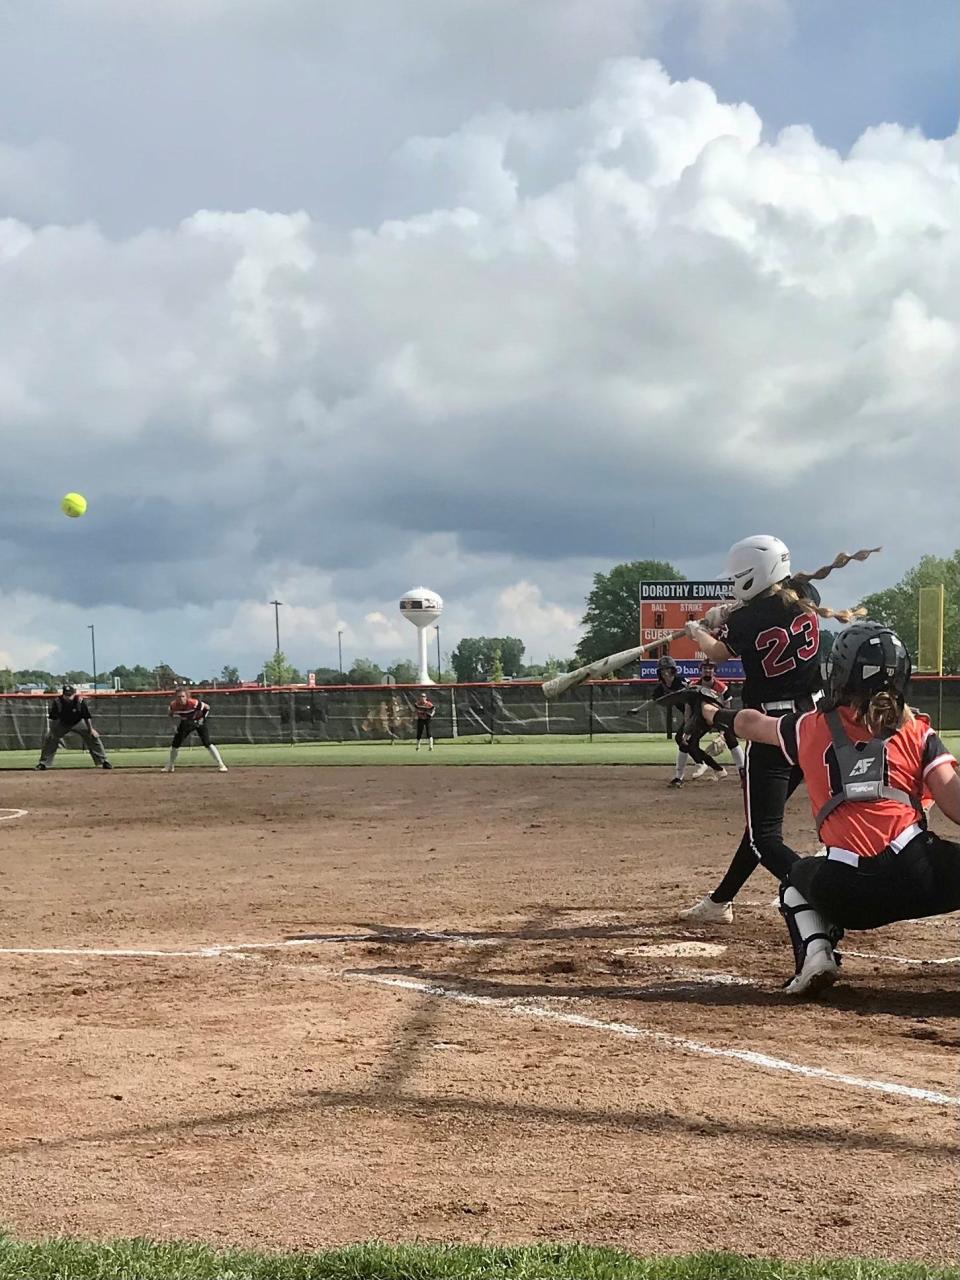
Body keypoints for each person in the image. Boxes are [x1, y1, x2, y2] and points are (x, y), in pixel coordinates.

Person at [701, 621, 960, 995]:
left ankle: (816, 954)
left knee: (795, 881)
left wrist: (713, 714)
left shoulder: (811, 726)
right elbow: (954, 803)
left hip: (848, 890)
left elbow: (752, 724)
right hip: (920, 871)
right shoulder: (918, 732)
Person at [680, 537, 878, 924]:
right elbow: (772, 603)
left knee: (764, 837)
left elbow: (717, 654)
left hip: (772, 731)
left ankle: (823, 891)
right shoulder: (803, 593)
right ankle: (720, 902)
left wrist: (697, 631)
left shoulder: (747, 620)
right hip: (816, 726)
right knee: (762, 828)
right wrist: (726, 614)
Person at [678, 658, 745, 783]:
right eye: (705, 668)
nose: (707, 671)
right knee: (688, 742)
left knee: (731, 740)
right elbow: (688, 707)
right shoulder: (693, 687)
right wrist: (687, 726)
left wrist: (722, 733)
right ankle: (679, 776)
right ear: (701, 671)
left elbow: (727, 707)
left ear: (714, 671)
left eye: (710, 668)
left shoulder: (722, 687)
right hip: (700, 719)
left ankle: (743, 773)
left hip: (718, 716)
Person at [36, 684, 112, 770]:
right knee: (50, 738)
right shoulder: (58, 702)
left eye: (70, 695)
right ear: (63, 694)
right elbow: (53, 719)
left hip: (78, 722)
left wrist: (91, 730)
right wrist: (52, 732)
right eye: (66, 695)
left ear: (74, 694)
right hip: (62, 723)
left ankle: (104, 761)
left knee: (93, 737)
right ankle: (43, 763)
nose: (68, 697)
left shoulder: (79, 701)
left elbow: (86, 716)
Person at [162, 689, 227, 772]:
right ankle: (170, 766)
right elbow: (170, 715)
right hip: (186, 723)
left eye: (183, 696)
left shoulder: (194, 703)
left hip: (199, 721)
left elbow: (207, 707)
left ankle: (221, 765)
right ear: (176, 698)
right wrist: (173, 726)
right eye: (179, 697)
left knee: (207, 743)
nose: (181, 698)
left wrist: (202, 719)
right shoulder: (173, 705)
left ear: (187, 697)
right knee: (175, 745)